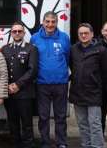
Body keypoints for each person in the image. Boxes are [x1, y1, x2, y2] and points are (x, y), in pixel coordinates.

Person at [31, 11, 71, 148]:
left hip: (61, 83)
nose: (50, 24)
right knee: (43, 116)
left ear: (57, 22)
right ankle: (45, 142)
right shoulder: (34, 38)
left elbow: (67, 58)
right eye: (47, 21)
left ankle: (61, 142)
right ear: (43, 22)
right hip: (42, 83)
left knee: (60, 116)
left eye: (53, 22)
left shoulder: (64, 38)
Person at [0, 22, 38, 148]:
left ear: (23, 33)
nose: (17, 33)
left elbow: (32, 70)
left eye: (19, 31)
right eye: (14, 31)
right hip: (9, 93)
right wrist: (6, 86)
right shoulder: (5, 49)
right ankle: (16, 144)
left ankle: (28, 145)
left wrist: (17, 85)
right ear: (11, 33)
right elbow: (0, 69)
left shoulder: (31, 48)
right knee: (12, 123)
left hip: (25, 93)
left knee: (27, 123)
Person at [69, 23, 106, 148]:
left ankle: (97, 146)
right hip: (77, 92)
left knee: (95, 123)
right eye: (81, 33)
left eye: (86, 33)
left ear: (92, 34)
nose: (83, 35)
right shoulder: (73, 49)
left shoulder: (100, 49)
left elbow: (105, 71)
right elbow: (71, 66)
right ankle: (86, 145)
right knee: (82, 123)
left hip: (93, 92)